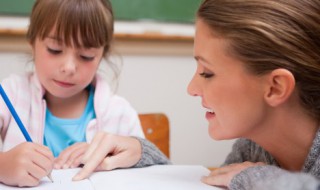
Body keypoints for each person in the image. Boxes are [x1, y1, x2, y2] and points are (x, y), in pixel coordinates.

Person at [73, 0, 320, 189]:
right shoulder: (253, 147)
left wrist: (258, 178)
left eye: (207, 72)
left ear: (275, 87)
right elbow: (207, 183)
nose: (191, 88)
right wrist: (143, 155)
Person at [0, 0, 148, 187]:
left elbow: (154, 174)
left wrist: (124, 155)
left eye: (86, 55)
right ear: (32, 42)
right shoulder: (11, 94)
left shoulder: (119, 113)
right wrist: (2, 165)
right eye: (55, 50)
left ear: (103, 53)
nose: (69, 68)